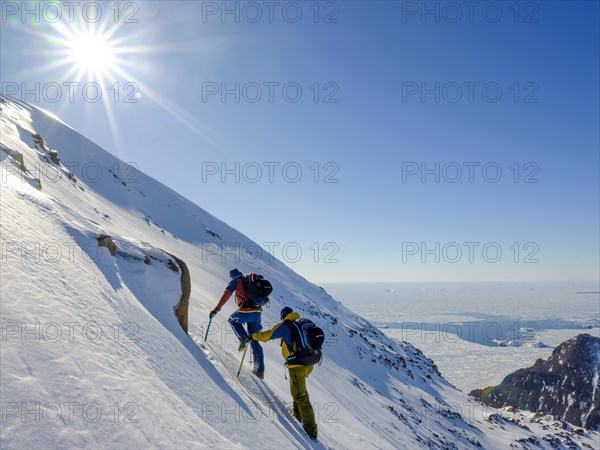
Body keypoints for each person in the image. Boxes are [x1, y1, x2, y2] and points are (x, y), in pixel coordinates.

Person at [252, 306, 318, 441]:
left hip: (297, 366)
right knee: (297, 389)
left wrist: (253, 335)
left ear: (283, 317)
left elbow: (266, 336)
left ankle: (312, 432)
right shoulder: (302, 324)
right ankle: (298, 414)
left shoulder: (285, 326)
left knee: (301, 395)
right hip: (309, 364)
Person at [210, 268, 265, 379]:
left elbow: (227, 293)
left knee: (232, 320)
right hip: (257, 313)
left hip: (246, 312)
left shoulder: (236, 280)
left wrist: (217, 308)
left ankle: (243, 338)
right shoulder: (249, 280)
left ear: (232, 276)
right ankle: (260, 370)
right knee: (254, 339)